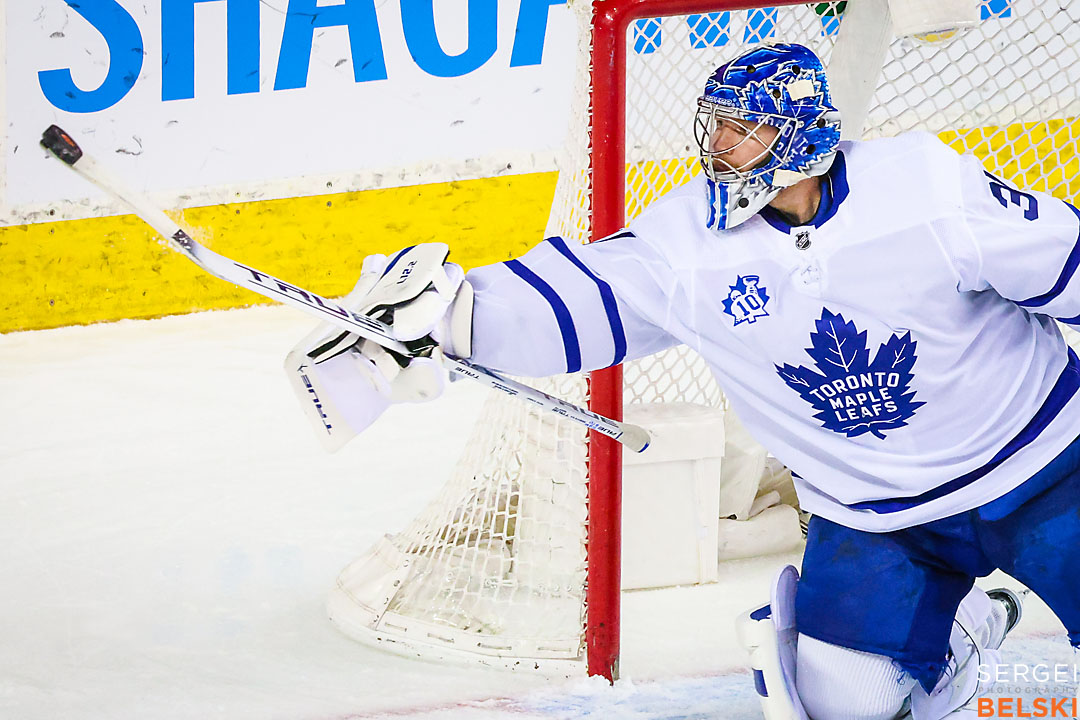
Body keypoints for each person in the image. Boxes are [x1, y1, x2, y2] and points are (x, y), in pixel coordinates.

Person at [287, 42, 1080, 718]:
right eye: (718, 128)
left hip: (1047, 470)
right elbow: (586, 294)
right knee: (844, 701)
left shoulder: (926, 189)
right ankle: (967, 628)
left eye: (742, 129)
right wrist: (456, 316)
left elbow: (1067, 263)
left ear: (796, 136)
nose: (719, 147)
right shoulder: (688, 241)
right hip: (875, 520)